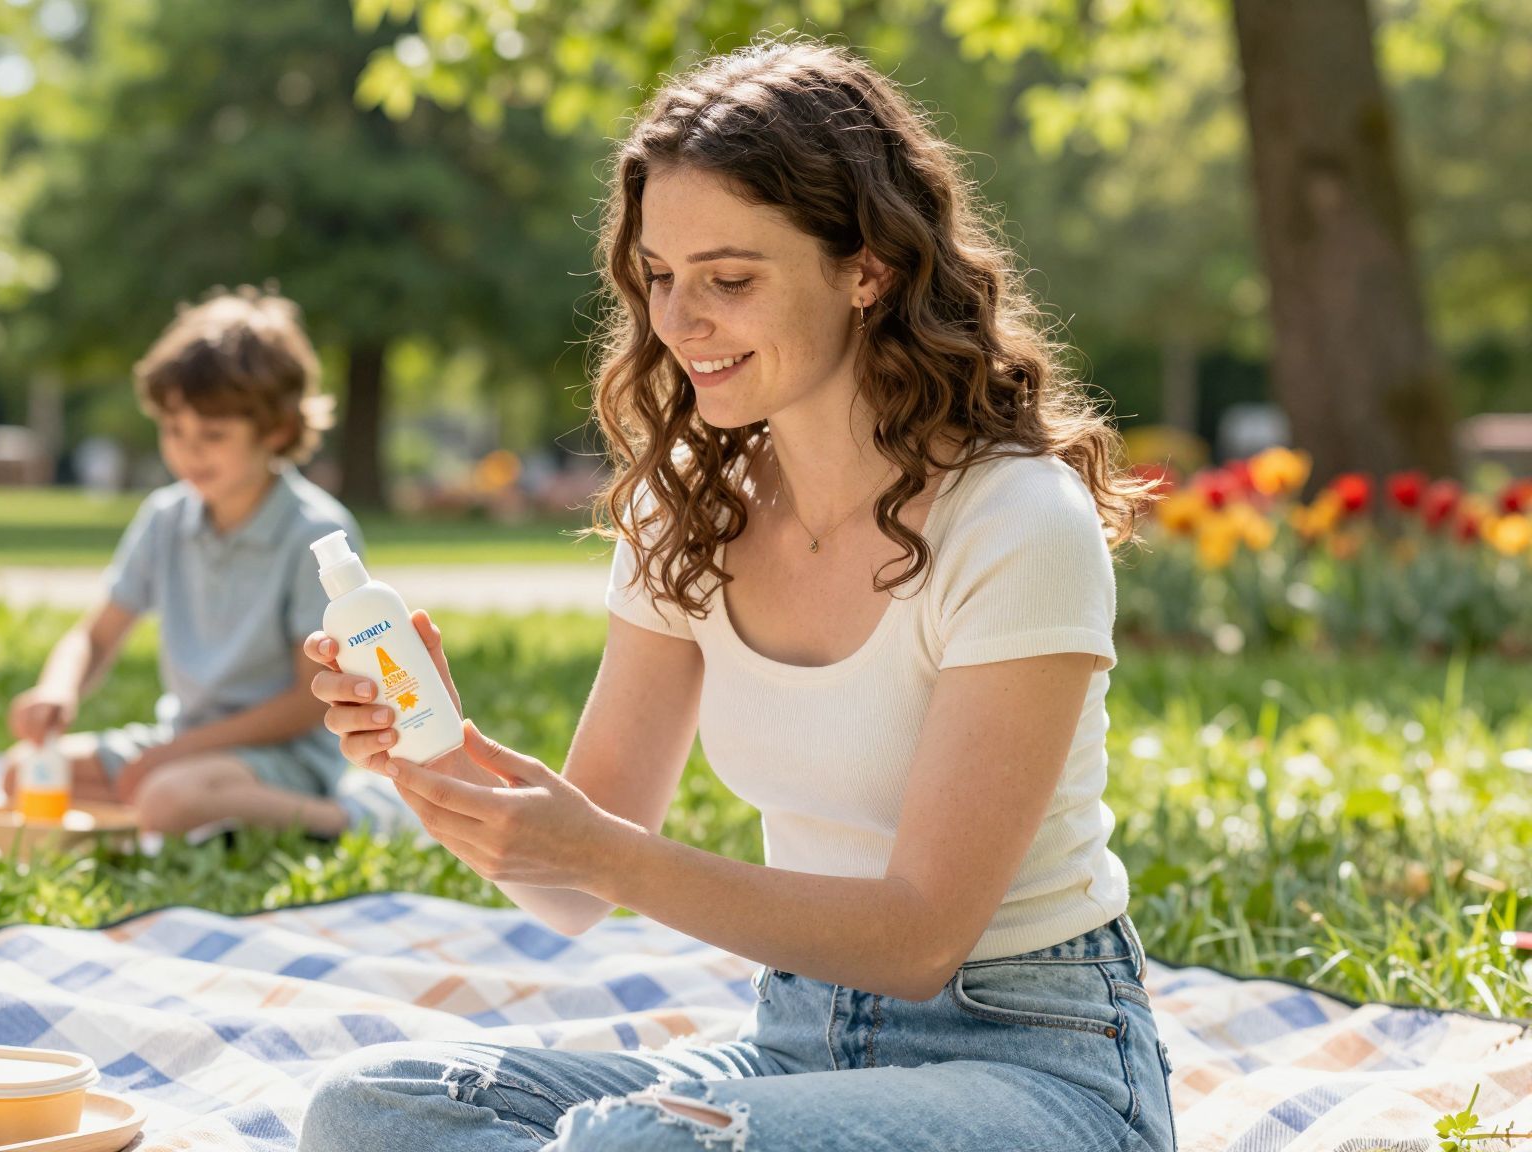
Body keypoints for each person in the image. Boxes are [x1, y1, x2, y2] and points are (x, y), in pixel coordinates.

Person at [297, 37, 1173, 1152]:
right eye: (658, 277)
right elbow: (573, 881)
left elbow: (917, 939)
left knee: (639, 1143)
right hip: (792, 1041)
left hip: (1033, 1068)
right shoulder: (688, 516)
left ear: (868, 268)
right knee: (371, 1104)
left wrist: (593, 852)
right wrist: (430, 750)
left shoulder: (1013, 522)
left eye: (729, 278)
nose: (676, 321)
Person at [6, 286, 359, 837]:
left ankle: (350, 819)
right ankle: (164, 809)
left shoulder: (316, 532)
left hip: (284, 757)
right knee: (23, 775)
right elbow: (96, 637)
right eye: (174, 431)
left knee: (167, 798)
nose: (188, 452)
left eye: (213, 435)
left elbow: (306, 702)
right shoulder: (165, 518)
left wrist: (176, 754)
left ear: (278, 430)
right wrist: (58, 688)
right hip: (182, 741)